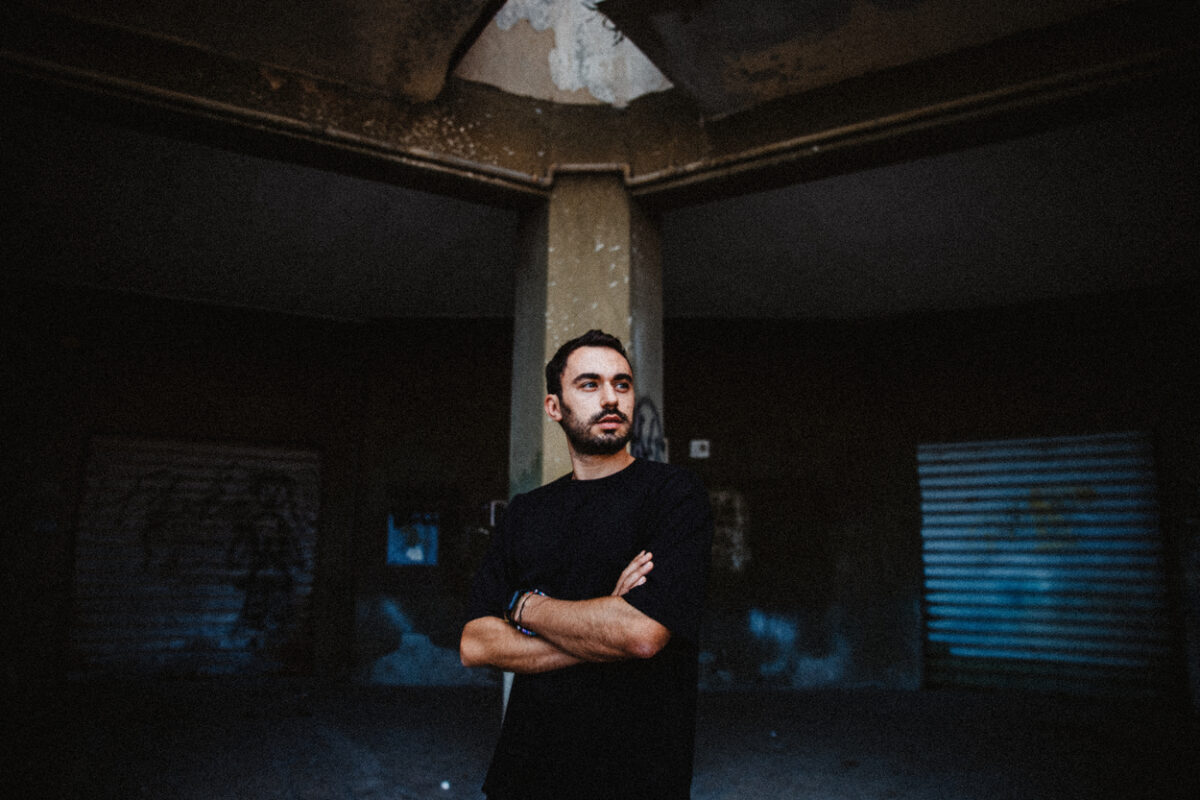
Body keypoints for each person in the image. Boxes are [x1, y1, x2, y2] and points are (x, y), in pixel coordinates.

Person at [460, 329, 714, 800]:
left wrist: (525, 607)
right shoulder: (527, 512)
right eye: (590, 384)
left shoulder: (674, 495)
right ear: (554, 406)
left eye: (622, 384)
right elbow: (475, 643)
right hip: (526, 772)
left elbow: (641, 635)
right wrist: (604, 624)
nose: (611, 398)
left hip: (638, 777)